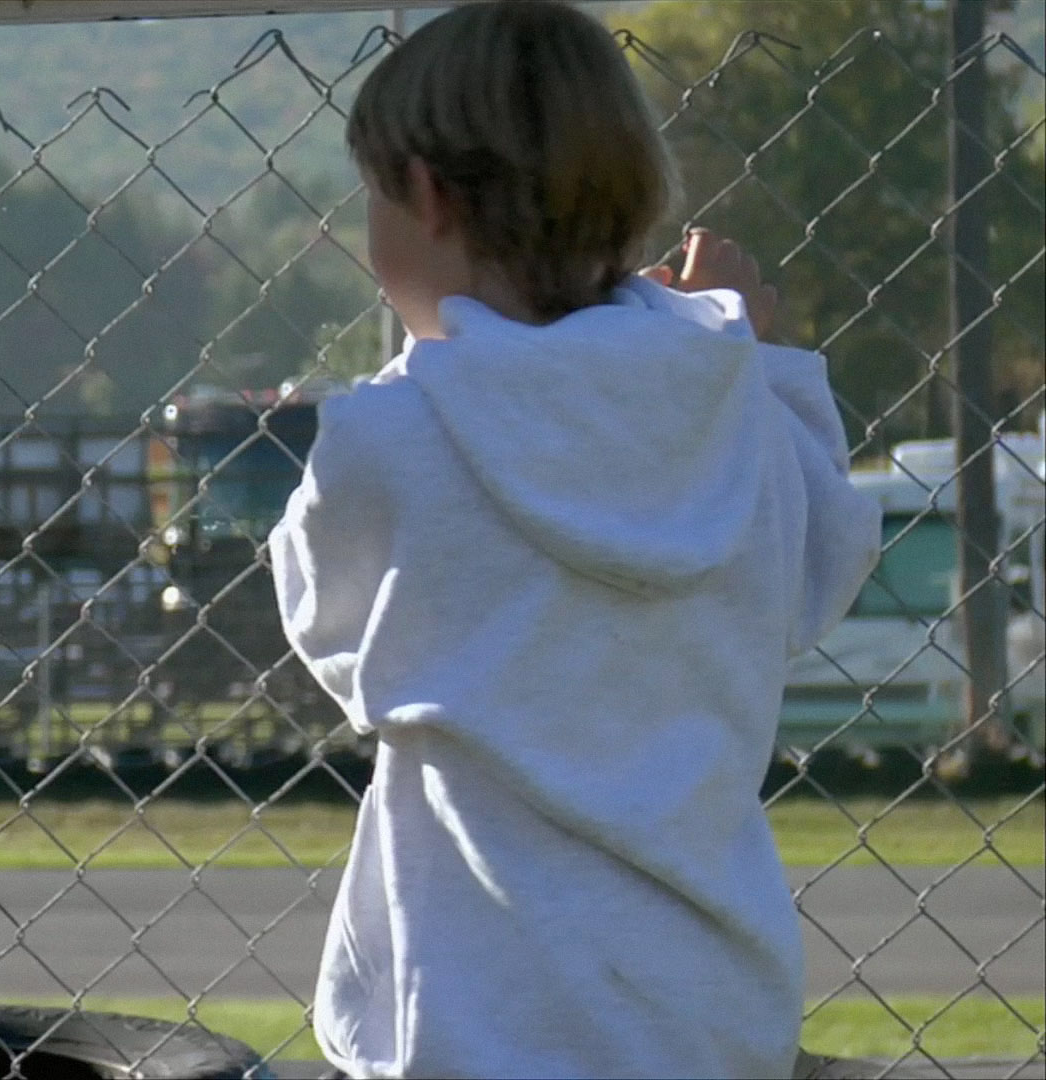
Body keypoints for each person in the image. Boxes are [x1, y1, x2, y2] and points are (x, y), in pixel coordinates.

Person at [268, 4, 881, 1078]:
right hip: (710, 1010)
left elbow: (332, 633)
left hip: (478, 1002)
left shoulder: (394, 434)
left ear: (426, 194)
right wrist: (736, 356)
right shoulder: (733, 417)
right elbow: (817, 573)